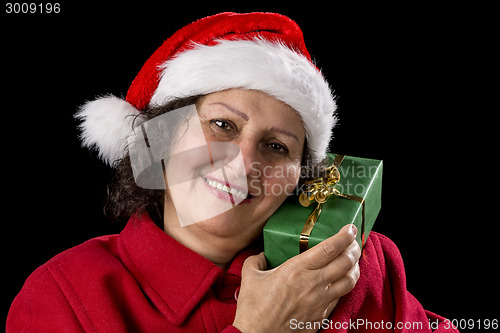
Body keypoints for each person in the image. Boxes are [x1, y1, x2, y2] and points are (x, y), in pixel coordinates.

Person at [7, 12, 458, 332]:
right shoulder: (63, 296)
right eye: (222, 125)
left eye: (277, 147)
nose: (244, 163)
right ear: (160, 136)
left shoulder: (353, 265)